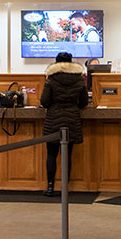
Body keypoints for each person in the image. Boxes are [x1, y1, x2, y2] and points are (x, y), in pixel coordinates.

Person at [40, 52, 89, 196]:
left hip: (53, 119)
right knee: (67, 155)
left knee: (51, 154)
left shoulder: (51, 79)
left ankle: (50, 187)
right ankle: (65, 188)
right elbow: (84, 102)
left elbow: (44, 101)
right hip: (72, 119)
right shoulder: (79, 80)